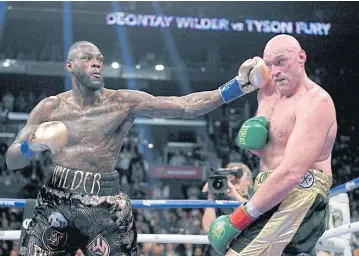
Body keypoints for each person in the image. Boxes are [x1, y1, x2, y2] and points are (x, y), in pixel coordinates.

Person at [5, 41, 269, 256]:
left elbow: (183, 106)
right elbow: (11, 159)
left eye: (100, 58)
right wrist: (33, 145)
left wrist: (238, 86)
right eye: (87, 58)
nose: (97, 62)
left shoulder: (121, 102)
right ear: (70, 66)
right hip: (56, 201)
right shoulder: (49, 108)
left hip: (104, 203)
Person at [207, 34, 337, 256]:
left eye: (281, 62)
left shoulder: (316, 102)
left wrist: (239, 218)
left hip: (299, 193)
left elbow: (292, 173)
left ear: (301, 57)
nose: (275, 71)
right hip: (269, 190)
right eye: (270, 65)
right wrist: (245, 76)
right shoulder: (267, 90)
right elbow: (253, 68)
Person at [202, 162, 253, 256]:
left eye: (237, 175)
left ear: (248, 179)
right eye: (229, 177)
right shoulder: (220, 199)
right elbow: (208, 228)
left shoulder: (256, 197)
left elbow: (253, 210)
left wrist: (235, 195)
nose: (233, 179)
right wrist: (211, 196)